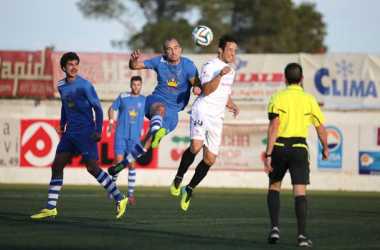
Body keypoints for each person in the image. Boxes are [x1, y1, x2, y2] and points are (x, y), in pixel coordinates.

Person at [31, 52, 128, 220]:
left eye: (76, 64)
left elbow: (97, 108)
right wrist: (62, 124)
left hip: (86, 132)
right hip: (70, 134)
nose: (74, 67)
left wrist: (98, 130)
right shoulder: (61, 85)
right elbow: (65, 105)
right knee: (57, 166)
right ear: (63, 67)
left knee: (92, 168)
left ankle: (120, 197)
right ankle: (50, 207)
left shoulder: (85, 85)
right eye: (70, 65)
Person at [107, 38, 201, 177]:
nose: (173, 52)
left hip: (173, 111)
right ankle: (157, 130)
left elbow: (196, 83)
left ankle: (123, 164)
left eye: (176, 48)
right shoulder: (160, 61)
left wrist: (196, 88)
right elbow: (135, 66)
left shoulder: (188, 65)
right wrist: (133, 60)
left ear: (180, 49)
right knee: (160, 109)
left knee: (148, 140)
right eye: (169, 49)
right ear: (165, 52)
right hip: (155, 100)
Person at [169, 34, 240, 211]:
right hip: (202, 110)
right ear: (220, 49)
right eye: (230, 50)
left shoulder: (231, 71)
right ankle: (178, 178)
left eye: (235, 51)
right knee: (195, 147)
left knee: (210, 160)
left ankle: (189, 189)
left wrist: (233, 105)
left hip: (217, 118)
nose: (233, 53)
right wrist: (219, 75)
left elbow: (224, 95)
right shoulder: (210, 66)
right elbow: (207, 91)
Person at [264, 63, 329, 247]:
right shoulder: (309, 99)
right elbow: (321, 129)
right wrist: (325, 148)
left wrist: (268, 154)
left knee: (274, 187)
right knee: (299, 192)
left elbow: (274, 127)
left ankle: (275, 228)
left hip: (279, 146)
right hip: (300, 147)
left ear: (284, 79)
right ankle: (302, 236)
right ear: (302, 79)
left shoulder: (276, 98)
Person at [107, 75, 146, 205]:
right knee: (118, 162)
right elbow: (111, 108)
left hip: (134, 137)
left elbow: (152, 113)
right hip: (120, 134)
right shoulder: (123, 97)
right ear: (131, 85)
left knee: (132, 164)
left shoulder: (144, 100)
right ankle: (112, 188)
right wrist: (111, 122)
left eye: (138, 85)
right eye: (134, 84)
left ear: (141, 86)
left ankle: (130, 194)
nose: (136, 87)